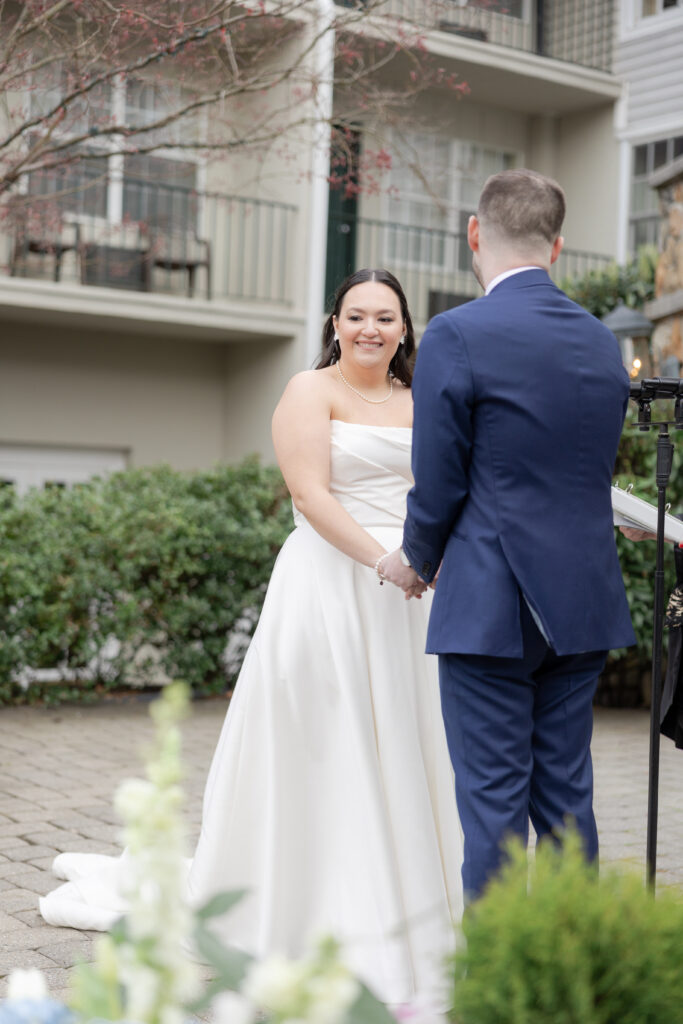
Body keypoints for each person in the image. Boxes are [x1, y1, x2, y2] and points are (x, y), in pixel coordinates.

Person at [39, 268, 463, 1009]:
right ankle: (308, 894)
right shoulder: (309, 390)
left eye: (385, 318)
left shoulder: (422, 398)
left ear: (404, 330)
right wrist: (382, 561)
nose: (370, 329)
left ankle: (414, 887)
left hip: (414, 594)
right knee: (327, 735)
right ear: (334, 321)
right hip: (335, 583)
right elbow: (309, 492)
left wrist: (425, 561)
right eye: (356, 315)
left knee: (407, 734)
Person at [382, 169, 637, 901]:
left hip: (490, 607)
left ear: (473, 232)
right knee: (565, 803)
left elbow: (439, 478)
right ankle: (566, 979)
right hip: (582, 603)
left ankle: (497, 987)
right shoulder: (599, 344)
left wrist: (415, 559)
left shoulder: (457, 334)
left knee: (491, 808)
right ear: (556, 246)